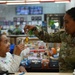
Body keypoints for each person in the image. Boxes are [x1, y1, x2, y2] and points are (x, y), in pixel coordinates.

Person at [24, 7, 75, 72]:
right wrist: (34, 29)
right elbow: (48, 37)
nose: (65, 25)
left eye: (67, 22)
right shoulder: (65, 35)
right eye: (64, 22)